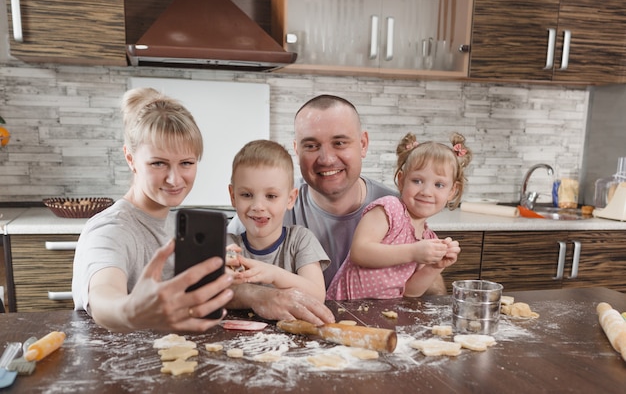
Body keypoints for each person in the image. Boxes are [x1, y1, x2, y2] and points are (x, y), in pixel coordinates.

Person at [227, 95, 445, 324]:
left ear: (363, 144)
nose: (327, 158)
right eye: (311, 146)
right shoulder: (266, 209)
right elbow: (215, 282)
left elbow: (430, 287)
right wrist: (260, 295)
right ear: (297, 150)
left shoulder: (394, 208)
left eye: (340, 143)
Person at [72, 87, 234, 333]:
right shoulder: (110, 228)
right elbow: (103, 296)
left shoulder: (177, 224)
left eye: (186, 163)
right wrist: (130, 311)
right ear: (130, 158)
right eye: (158, 163)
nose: (174, 179)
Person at [326, 132, 472, 300]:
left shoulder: (428, 238)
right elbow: (360, 252)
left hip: (384, 314)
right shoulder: (389, 208)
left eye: (439, 185)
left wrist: (435, 267)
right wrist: (412, 252)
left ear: (452, 192)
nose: (426, 192)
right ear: (402, 180)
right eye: (417, 181)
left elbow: (410, 291)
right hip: (344, 308)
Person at [226, 139, 329, 303]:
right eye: (246, 195)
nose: (258, 206)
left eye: (271, 196)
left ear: (290, 199)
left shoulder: (300, 240)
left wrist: (274, 274)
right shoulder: (228, 245)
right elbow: (210, 295)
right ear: (233, 196)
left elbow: (317, 295)